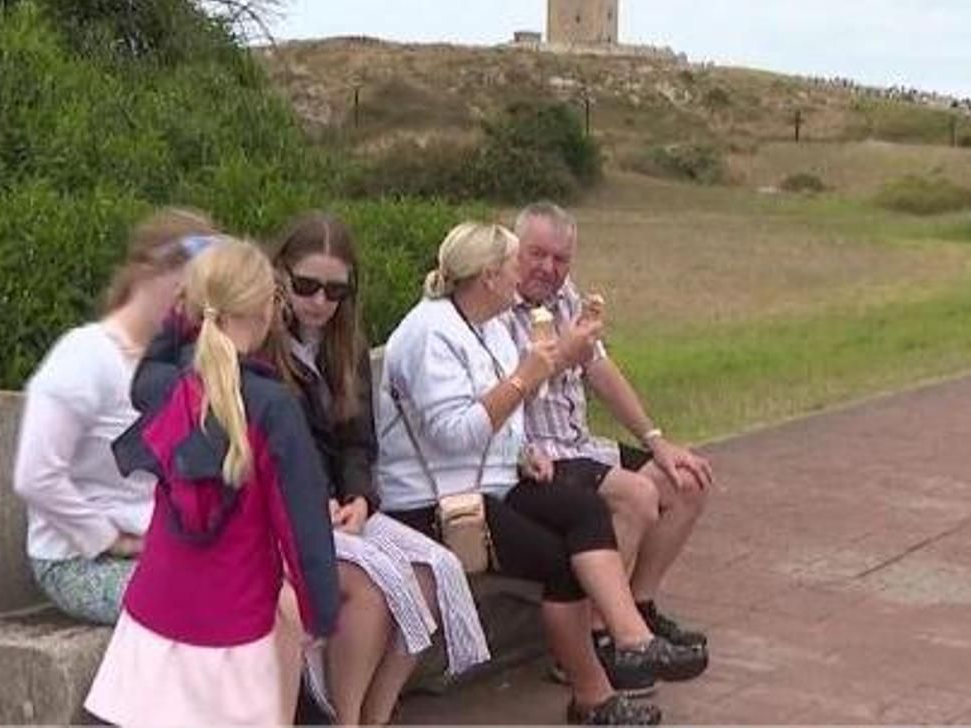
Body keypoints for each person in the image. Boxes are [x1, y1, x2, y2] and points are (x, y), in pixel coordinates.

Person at [376, 222, 706, 726]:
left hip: (491, 482)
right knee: (557, 563)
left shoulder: (484, 323)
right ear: (488, 276)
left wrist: (523, 449)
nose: (522, 277)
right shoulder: (429, 333)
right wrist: (528, 375)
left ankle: (630, 637)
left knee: (585, 509)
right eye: (513, 265)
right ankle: (592, 697)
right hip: (435, 500)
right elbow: (454, 435)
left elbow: (500, 420)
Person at [85, 238, 342, 727]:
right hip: (235, 627)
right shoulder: (274, 408)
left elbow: (146, 368)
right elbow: (302, 527)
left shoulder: (171, 386)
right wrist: (319, 613)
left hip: (153, 616)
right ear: (268, 308)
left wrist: (184, 308)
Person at [262, 212, 489, 725]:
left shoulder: (347, 347)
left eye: (334, 291)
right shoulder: (260, 349)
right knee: (370, 591)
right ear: (280, 277)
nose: (319, 302)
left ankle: (377, 713)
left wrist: (361, 497)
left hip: (341, 506)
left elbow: (357, 443)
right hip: (285, 513)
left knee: (434, 572)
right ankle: (344, 717)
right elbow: (264, 450)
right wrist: (311, 504)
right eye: (306, 286)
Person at [506, 203, 713, 680]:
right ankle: (594, 639)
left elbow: (598, 368)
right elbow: (504, 391)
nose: (547, 268)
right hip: (536, 455)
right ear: (515, 250)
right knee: (636, 495)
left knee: (686, 483)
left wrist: (655, 439)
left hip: (579, 444)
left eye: (561, 259)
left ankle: (637, 608)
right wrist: (562, 355)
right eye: (537, 254)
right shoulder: (496, 303)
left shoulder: (565, 297)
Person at [12, 207, 216, 624]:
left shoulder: (177, 362)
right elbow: (35, 475)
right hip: (77, 561)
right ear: (148, 271)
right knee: (206, 607)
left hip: (159, 546)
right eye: (188, 287)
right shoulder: (86, 355)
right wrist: (109, 538)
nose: (195, 305)